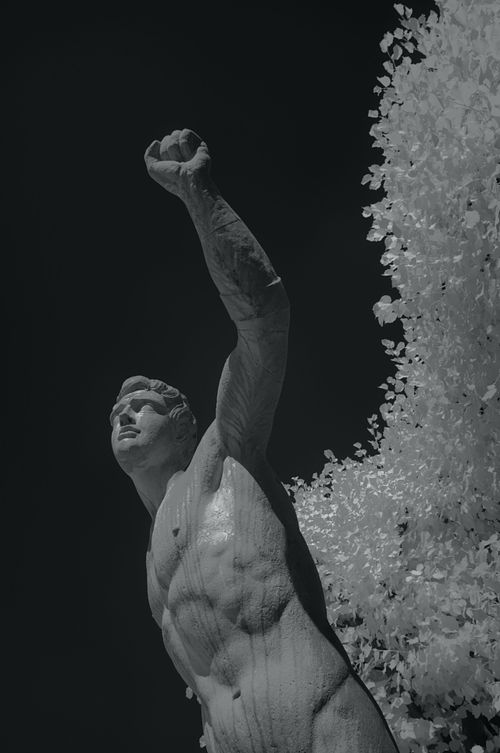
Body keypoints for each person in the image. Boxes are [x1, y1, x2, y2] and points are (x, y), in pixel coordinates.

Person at [110, 129, 399, 753]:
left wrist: (200, 195)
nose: (125, 419)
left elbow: (265, 320)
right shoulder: (152, 567)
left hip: (326, 726)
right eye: (117, 415)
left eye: (142, 408)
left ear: (183, 425)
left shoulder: (226, 457)